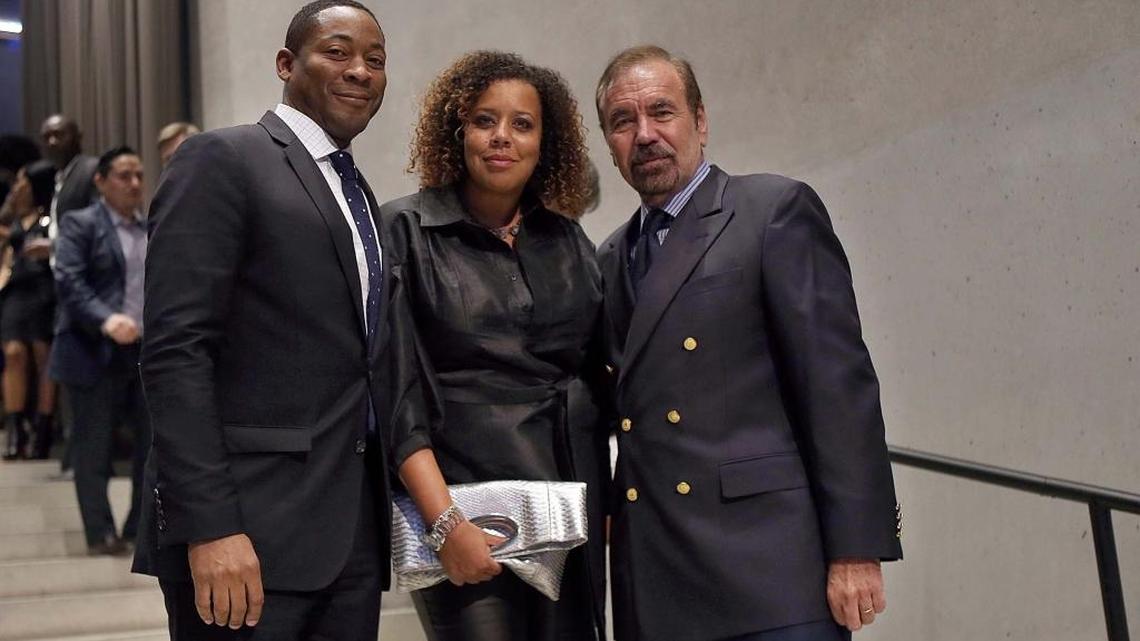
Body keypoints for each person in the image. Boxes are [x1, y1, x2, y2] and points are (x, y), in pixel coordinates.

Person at [132, 2, 432, 639]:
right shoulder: (223, 159)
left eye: (375, 61)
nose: (360, 71)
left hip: (348, 535)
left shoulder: (360, 197)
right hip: (246, 532)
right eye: (338, 52)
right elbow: (176, 352)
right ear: (286, 64)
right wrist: (209, 525)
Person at [594, 45, 903, 641]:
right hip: (657, 573)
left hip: (768, 568)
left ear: (701, 122)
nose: (646, 134)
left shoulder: (770, 211)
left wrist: (856, 548)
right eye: (623, 122)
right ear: (609, 142)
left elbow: (836, 387)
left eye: (663, 112)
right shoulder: (609, 258)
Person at [381, 50, 609, 641]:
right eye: (484, 120)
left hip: (568, 506)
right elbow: (396, 393)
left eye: (522, 124)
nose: (501, 138)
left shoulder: (568, 240)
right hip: (463, 506)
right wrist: (444, 524)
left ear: (544, 142)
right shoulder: (403, 233)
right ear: (457, 134)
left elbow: (597, 375)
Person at [49, 146, 149, 556]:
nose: (135, 184)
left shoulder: (151, 227)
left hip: (144, 351)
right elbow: (70, 281)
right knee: (94, 446)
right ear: (101, 181)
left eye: (139, 175)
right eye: (124, 176)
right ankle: (99, 532)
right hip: (94, 349)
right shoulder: (81, 224)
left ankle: (137, 528)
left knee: (152, 446)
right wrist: (106, 319)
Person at [0, 160, 58, 460]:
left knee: (42, 356)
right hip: (14, 289)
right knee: (13, 353)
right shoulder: (12, 216)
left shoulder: (49, 216)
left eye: (24, 182)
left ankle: (43, 429)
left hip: (44, 288)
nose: (19, 187)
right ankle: (15, 428)